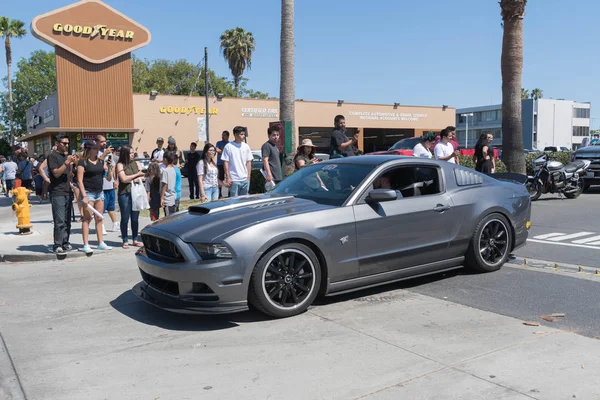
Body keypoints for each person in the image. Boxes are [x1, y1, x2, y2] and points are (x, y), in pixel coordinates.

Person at [76, 140, 112, 254]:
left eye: (97, 149)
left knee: (99, 218)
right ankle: (86, 244)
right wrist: (84, 196)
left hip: (99, 192)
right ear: (89, 149)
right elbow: (79, 180)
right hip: (88, 192)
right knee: (87, 219)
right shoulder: (82, 162)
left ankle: (100, 242)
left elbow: (109, 178)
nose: (97, 151)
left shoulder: (101, 162)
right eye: (95, 149)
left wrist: (110, 168)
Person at [47, 134, 75, 254]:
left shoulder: (66, 157)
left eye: (67, 143)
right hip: (57, 192)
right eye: (64, 143)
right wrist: (67, 163)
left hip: (67, 191)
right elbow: (56, 173)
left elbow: (69, 175)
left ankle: (65, 242)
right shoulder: (52, 156)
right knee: (59, 220)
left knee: (67, 220)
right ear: (57, 143)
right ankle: (57, 244)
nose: (66, 146)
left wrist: (72, 165)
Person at [116, 145, 145, 249]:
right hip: (125, 193)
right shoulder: (120, 164)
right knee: (124, 217)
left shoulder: (136, 163)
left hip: (136, 193)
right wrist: (136, 176)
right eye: (130, 153)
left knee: (135, 218)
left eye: (133, 153)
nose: (132, 155)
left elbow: (142, 176)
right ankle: (124, 239)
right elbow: (123, 179)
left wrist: (135, 177)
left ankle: (135, 239)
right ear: (125, 154)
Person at [222, 126, 253, 197]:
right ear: (235, 135)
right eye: (241, 134)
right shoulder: (228, 146)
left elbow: (249, 162)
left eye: (244, 134)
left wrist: (248, 176)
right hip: (234, 179)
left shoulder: (246, 146)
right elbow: (225, 162)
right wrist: (228, 177)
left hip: (245, 179)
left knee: (244, 200)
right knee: (234, 201)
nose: (243, 136)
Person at [96, 135, 119, 233]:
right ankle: (101, 226)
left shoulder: (109, 153)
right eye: (101, 142)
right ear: (96, 142)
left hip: (109, 183)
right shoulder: (95, 153)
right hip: (100, 185)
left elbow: (112, 167)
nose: (104, 143)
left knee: (111, 206)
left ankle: (115, 224)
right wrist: (105, 154)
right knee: (101, 208)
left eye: (105, 141)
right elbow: (97, 163)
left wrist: (115, 180)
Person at [261, 125, 283, 191]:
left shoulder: (275, 146)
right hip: (272, 178)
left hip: (278, 176)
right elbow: (265, 160)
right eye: (274, 135)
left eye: (277, 135)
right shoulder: (267, 146)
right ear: (269, 135)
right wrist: (269, 174)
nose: (276, 137)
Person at [160, 151, 178, 216]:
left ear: (165, 159)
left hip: (167, 198)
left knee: (168, 218)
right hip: (173, 197)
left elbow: (164, 185)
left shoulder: (165, 171)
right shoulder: (173, 169)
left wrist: (162, 198)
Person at [215, 130, 230, 198]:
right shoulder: (219, 143)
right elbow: (217, 150)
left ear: (227, 136)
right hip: (220, 164)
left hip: (228, 164)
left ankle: (229, 193)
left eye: (224, 135)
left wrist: (222, 151)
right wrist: (224, 151)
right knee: (220, 179)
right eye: (222, 135)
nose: (222, 136)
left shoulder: (229, 144)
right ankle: (219, 194)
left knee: (229, 178)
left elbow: (229, 153)